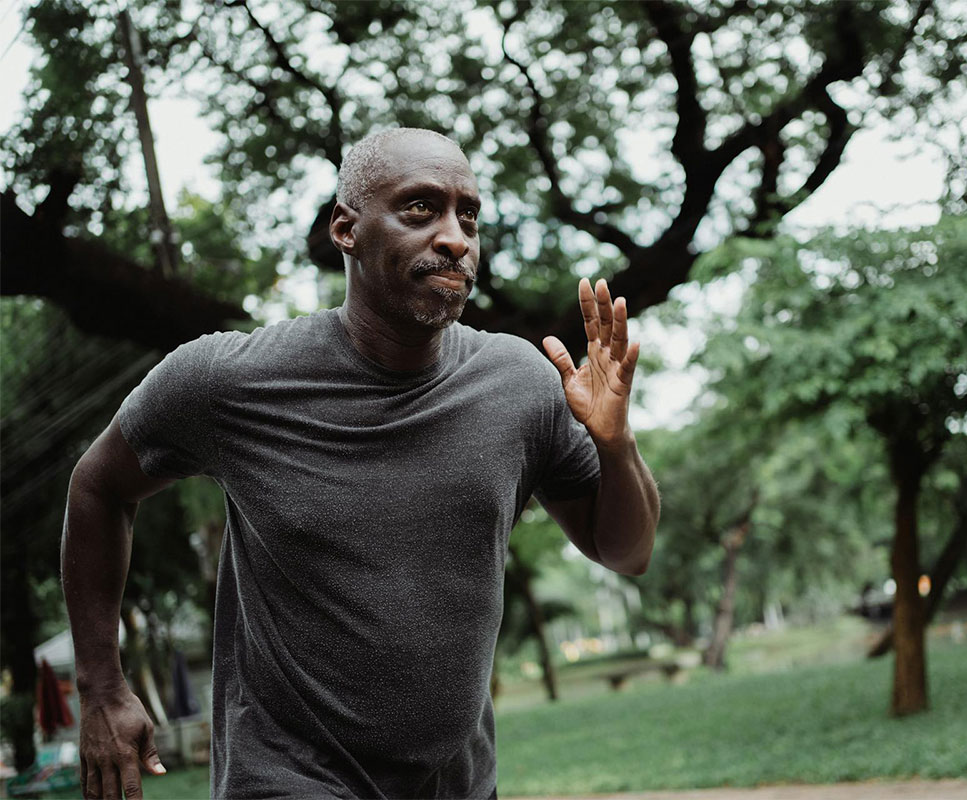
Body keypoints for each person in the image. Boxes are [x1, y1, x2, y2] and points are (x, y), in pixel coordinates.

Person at [61, 127, 660, 800]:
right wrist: (102, 687)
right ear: (345, 229)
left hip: (459, 784)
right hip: (287, 779)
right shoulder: (228, 382)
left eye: (469, 215)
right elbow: (98, 486)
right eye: (420, 208)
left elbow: (626, 551)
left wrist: (616, 443)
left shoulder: (519, 382)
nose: (455, 236)